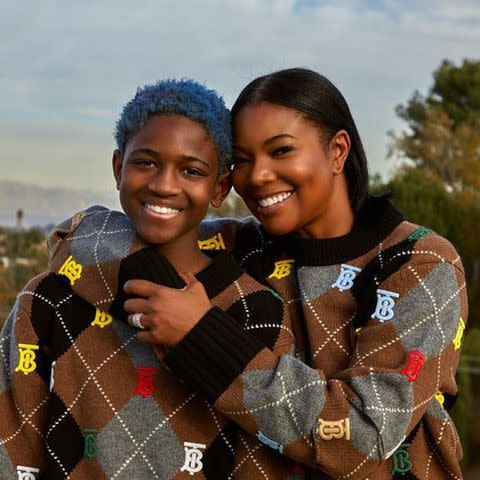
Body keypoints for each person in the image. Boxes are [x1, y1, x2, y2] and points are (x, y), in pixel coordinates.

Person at [125, 69, 468, 479]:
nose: (257, 176)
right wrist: (73, 232)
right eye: (244, 160)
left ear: (338, 150)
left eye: (281, 151)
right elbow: (120, 232)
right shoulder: (237, 247)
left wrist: (201, 337)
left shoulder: (418, 263)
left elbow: (364, 435)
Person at [0, 79, 291, 479]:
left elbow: (262, 460)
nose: (164, 185)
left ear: (219, 187)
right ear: (119, 168)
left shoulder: (254, 309)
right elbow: (12, 443)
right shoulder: (49, 299)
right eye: (146, 162)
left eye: (191, 170)